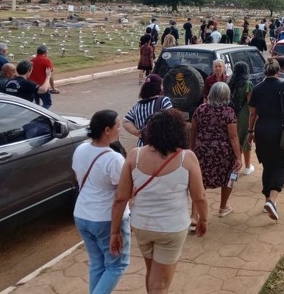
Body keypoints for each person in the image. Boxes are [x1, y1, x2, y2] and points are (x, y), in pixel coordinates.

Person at [110, 110, 208, 294]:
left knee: (152, 273)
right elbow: (200, 197)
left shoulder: (135, 155)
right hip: (172, 228)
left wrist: (114, 231)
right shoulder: (187, 158)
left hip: (142, 225)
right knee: (160, 285)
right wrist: (203, 219)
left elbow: (121, 198)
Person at [72, 109, 130, 294]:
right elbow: (122, 196)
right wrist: (115, 231)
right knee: (117, 265)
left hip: (82, 214)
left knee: (97, 264)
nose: (120, 129)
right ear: (107, 130)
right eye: (118, 126)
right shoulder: (114, 159)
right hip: (106, 219)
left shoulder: (80, 149)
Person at [247, 59, 284, 221]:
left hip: (261, 130)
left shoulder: (257, 88)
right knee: (282, 164)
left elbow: (252, 113)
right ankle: (272, 200)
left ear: (265, 71)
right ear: (278, 71)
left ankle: (267, 201)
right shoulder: (283, 86)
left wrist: (250, 132)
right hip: (279, 130)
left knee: (268, 165)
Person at [190, 82, 242, 218]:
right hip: (224, 152)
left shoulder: (201, 109)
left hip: (202, 151)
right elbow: (233, 136)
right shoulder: (228, 112)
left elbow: (193, 130)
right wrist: (238, 157)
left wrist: (191, 148)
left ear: (211, 94)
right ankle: (223, 207)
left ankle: (194, 215)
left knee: (200, 181)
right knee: (229, 177)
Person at [123, 74, 173, 147]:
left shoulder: (137, 106)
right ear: (158, 87)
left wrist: (137, 132)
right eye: (162, 84)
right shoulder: (164, 101)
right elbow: (171, 120)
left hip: (142, 146)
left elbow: (126, 121)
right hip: (161, 146)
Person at [227, 61, 254, 175]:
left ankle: (234, 166)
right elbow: (250, 102)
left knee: (234, 139)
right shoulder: (248, 84)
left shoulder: (229, 83)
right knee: (245, 139)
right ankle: (247, 166)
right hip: (244, 114)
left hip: (231, 113)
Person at [29, 44, 60, 109]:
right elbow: (50, 75)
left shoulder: (31, 61)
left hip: (32, 86)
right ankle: (40, 113)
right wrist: (53, 88)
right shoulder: (46, 61)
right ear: (45, 53)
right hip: (42, 86)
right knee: (47, 103)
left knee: (35, 105)